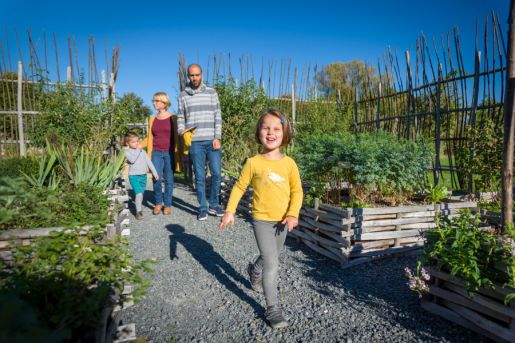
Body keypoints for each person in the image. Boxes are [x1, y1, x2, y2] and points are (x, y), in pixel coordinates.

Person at [219, 109, 303, 329]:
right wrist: (230, 211)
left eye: (276, 128)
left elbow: (297, 191)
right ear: (259, 132)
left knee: (271, 256)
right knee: (273, 262)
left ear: (285, 133)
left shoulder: (289, 164)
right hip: (261, 220)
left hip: (282, 221)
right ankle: (273, 308)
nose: (271, 132)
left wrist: (293, 213)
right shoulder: (254, 162)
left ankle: (254, 270)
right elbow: (239, 187)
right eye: (266, 127)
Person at [177, 64, 223, 221]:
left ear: (201, 74)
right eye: (191, 75)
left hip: (212, 140)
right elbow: (181, 116)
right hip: (195, 141)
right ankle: (203, 207)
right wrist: (181, 130)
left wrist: (217, 137)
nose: (194, 78)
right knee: (200, 176)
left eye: (197, 75)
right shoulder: (183, 95)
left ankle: (214, 204)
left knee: (216, 173)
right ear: (188, 76)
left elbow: (218, 115)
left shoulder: (211, 92)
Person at [141, 92, 181, 215]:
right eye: (153, 101)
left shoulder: (173, 118)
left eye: (157, 101)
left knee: (169, 179)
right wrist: (138, 145)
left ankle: (167, 204)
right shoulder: (152, 118)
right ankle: (158, 203)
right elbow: (150, 137)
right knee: (156, 178)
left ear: (164, 103)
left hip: (169, 153)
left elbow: (177, 137)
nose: (154, 103)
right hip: (156, 153)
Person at [124, 132, 159, 220]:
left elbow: (149, 162)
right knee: (139, 194)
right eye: (133, 142)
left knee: (141, 194)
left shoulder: (143, 151)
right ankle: (138, 212)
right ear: (128, 143)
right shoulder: (127, 152)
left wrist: (154, 173)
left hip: (143, 176)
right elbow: (132, 160)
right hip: (133, 176)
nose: (136, 143)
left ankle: (138, 208)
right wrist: (138, 150)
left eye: (137, 141)